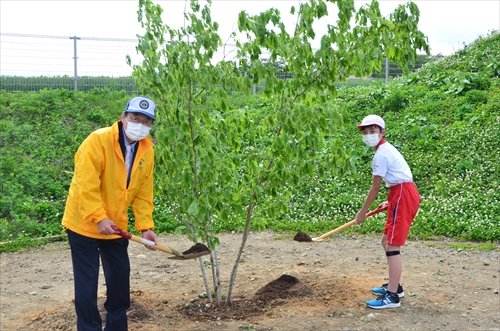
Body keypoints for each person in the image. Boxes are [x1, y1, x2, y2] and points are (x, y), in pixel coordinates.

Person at [62, 96, 159, 330]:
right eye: (135, 118)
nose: (140, 124)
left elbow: (143, 192)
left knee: (119, 282)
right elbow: (85, 183)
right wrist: (98, 217)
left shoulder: (147, 150)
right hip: (84, 224)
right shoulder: (98, 140)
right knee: (87, 286)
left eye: (147, 121)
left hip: (116, 227)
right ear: (124, 118)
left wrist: (146, 226)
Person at [354, 114, 420, 309]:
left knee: (392, 246)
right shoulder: (385, 149)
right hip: (400, 193)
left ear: (382, 132)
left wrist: (362, 212)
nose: (368, 135)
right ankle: (395, 287)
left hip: (402, 194)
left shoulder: (381, 154)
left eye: (373, 131)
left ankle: (392, 297)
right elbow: (399, 177)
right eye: (365, 132)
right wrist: (391, 200)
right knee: (386, 241)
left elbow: (374, 188)